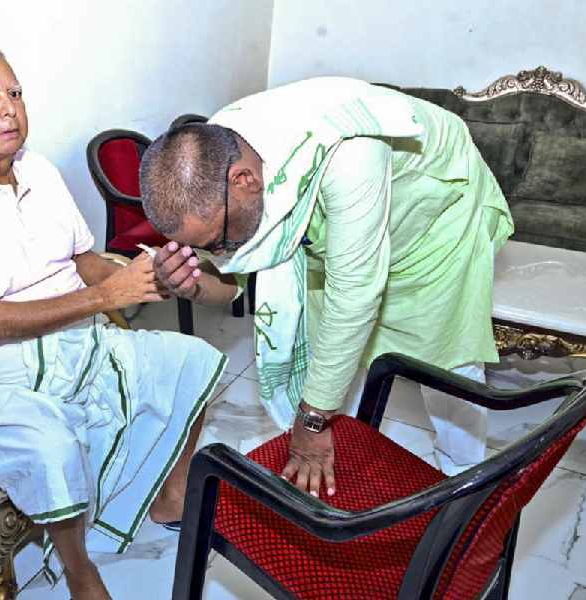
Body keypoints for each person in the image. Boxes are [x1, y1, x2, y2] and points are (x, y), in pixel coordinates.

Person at [0, 37, 226, 600]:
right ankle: (78, 569)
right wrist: (106, 297)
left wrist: (148, 275)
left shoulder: (40, 171)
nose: (9, 109)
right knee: (51, 451)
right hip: (0, 371)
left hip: (79, 340)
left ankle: (170, 497)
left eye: (15, 93)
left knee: (195, 359)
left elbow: (86, 263)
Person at [139, 77, 514, 497]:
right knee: (327, 350)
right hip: (337, 224)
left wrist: (312, 420)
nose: (220, 252)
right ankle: (347, 461)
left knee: (444, 360)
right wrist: (191, 286)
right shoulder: (221, 151)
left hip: (432, 229)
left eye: (217, 243)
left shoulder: (349, 155)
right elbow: (235, 285)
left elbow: (354, 297)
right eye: (203, 247)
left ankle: (465, 480)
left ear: (245, 180)